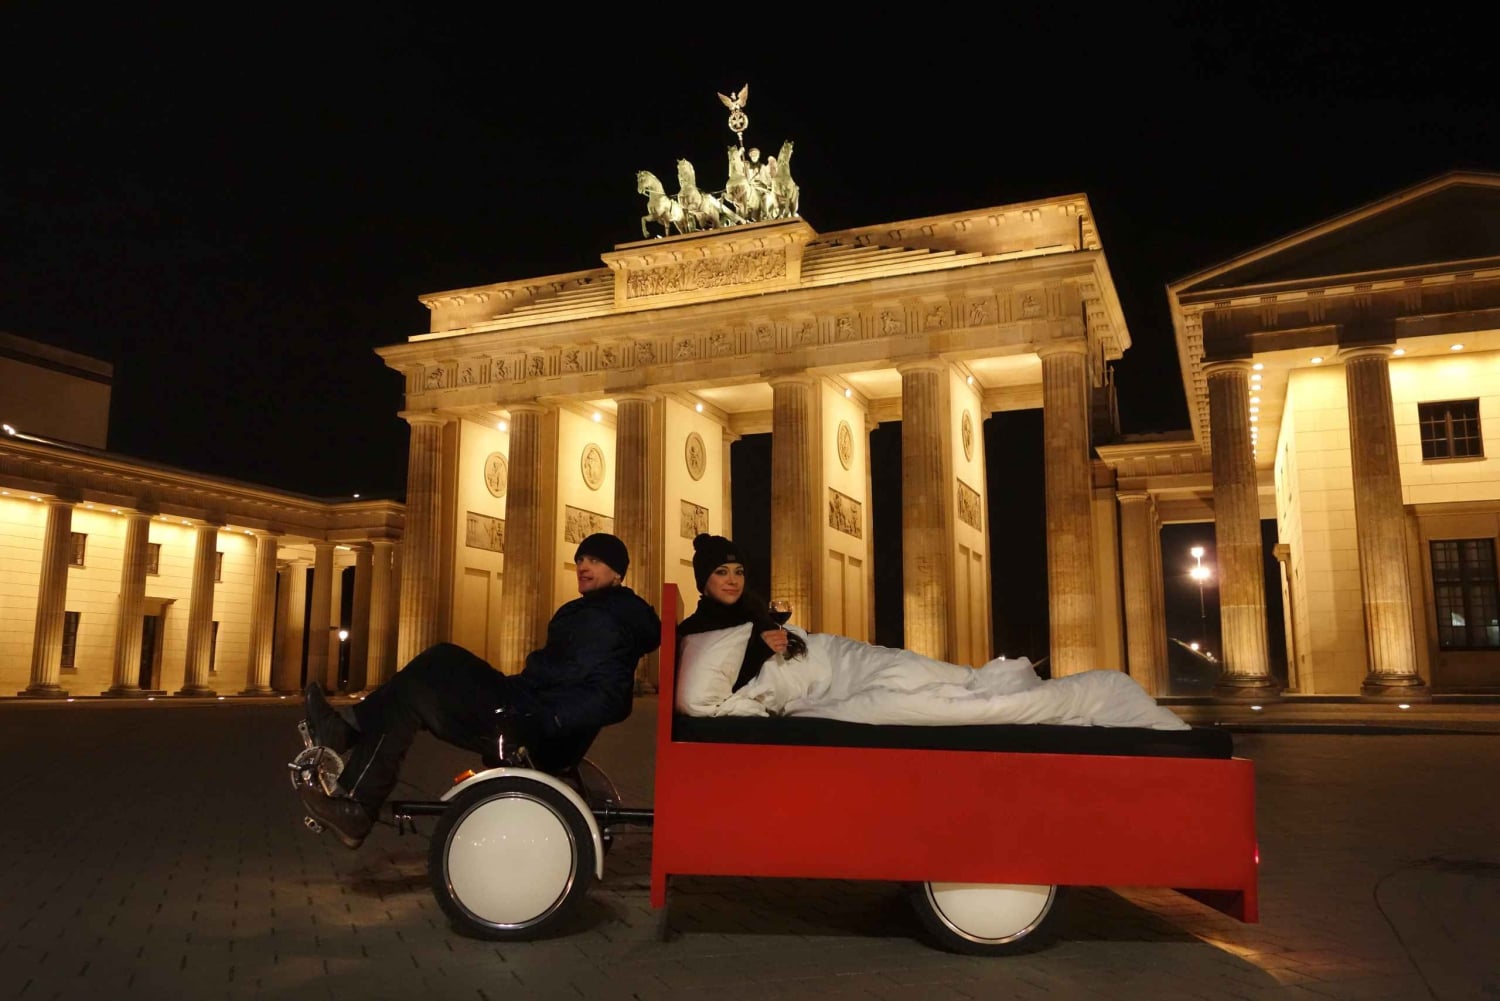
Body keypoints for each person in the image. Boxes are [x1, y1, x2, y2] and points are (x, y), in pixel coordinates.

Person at [299, 532, 661, 849]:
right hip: (522, 702)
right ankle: (352, 778)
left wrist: (546, 720)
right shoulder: (591, 613)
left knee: (416, 691)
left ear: (617, 571)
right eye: (580, 558)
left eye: (595, 560)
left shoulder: (615, 621)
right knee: (438, 661)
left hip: (531, 727)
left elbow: (611, 698)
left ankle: (351, 771)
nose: (583, 565)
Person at [677, 532, 807, 693]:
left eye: (739, 572)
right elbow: (711, 690)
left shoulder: (757, 616)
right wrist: (761, 651)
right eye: (722, 572)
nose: (733, 580)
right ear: (703, 580)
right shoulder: (689, 631)